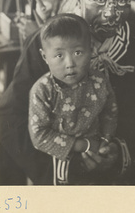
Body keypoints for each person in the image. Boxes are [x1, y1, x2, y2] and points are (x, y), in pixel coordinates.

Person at [0, 0, 135, 185]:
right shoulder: (49, 43)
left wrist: (117, 151)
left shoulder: (132, 43)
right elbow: (10, 117)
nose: (111, 13)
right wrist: (65, 166)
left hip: (108, 163)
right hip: (55, 165)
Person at [29, 13, 118, 185]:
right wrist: (82, 145)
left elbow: (110, 113)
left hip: (96, 149)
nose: (70, 63)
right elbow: (39, 135)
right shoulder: (42, 90)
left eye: (78, 52)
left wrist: (106, 141)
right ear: (44, 56)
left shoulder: (99, 82)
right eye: (59, 56)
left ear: (91, 50)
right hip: (57, 158)